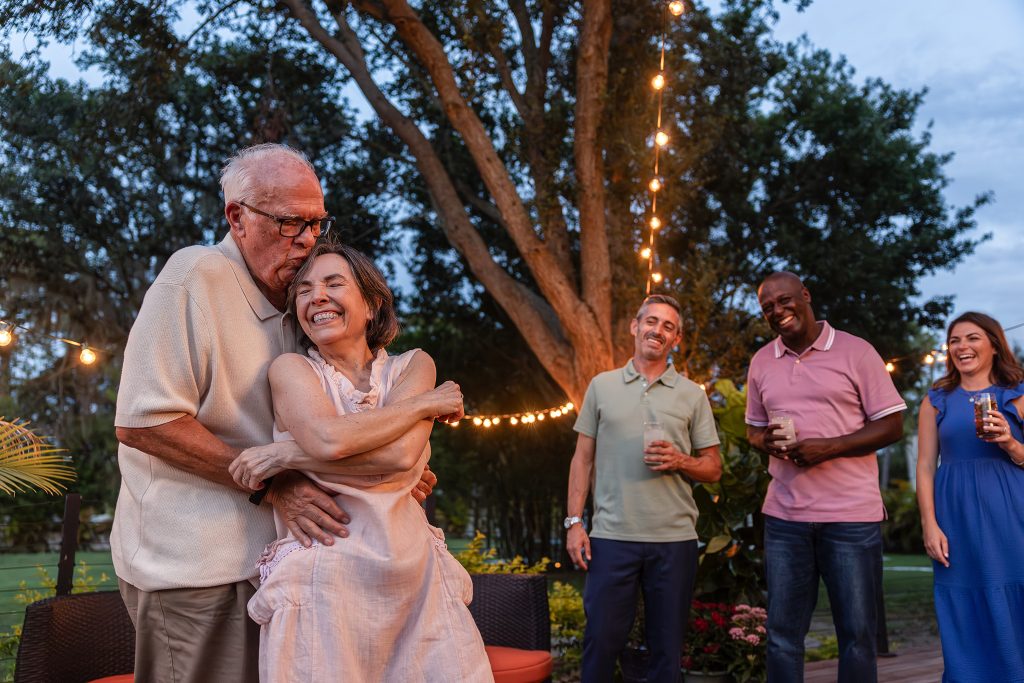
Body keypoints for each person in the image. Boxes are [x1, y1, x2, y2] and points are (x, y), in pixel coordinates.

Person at [111, 143, 435, 682]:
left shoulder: (294, 302)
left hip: (284, 565)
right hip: (197, 572)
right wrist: (272, 484)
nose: (308, 240)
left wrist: (385, 474)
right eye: (290, 223)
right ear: (237, 217)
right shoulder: (194, 276)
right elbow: (144, 422)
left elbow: (316, 426)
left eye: (316, 223)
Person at [228, 241, 493, 681]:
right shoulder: (291, 370)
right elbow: (328, 439)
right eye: (305, 290)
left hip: (415, 581)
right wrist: (420, 406)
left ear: (371, 304)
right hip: (324, 581)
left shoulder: (413, 366)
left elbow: (401, 456)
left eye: (334, 283)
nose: (318, 297)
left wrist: (285, 454)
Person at [745, 271, 906, 683]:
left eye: (784, 300)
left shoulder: (857, 351)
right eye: (768, 307)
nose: (778, 311)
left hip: (850, 519)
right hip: (784, 518)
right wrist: (770, 443)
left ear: (805, 296)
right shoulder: (762, 360)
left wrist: (828, 447)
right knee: (782, 636)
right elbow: (753, 429)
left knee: (856, 635)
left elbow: (891, 425)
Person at [565, 294, 723, 683]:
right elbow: (582, 459)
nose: (658, 330)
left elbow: (714, 468)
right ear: (635, 327)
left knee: (666, 650)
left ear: (677, 339)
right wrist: (574, 522)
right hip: (612, 536)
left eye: (668, 326)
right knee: (601, 640)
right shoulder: (601, 386)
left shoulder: (692, 395)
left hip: (674, 539)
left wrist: (681, 461)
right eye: (651, 321)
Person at [916, 312, 1024, 681]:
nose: (962, 346)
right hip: (955, 515)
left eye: (972, 338)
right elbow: (926, 466)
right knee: (962, 599)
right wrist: (929, 524)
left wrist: (1010, 442)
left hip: (1011, 512)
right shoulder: (936, 400)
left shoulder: (1017, 394)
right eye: (955, 340)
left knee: (1014, 593)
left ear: (994, 345)